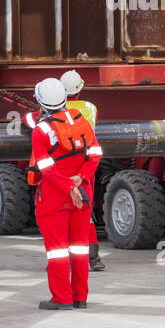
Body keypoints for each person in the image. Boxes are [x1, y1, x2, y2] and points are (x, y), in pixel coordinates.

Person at [27, 77, 102, 311]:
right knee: (80, 247)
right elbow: (96, 153)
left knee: (57, 249)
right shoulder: (82, 121)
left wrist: (68, 188)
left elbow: (46, 167)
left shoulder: (40, 131)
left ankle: (62, 298)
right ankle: (80, 297)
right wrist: (81, 179)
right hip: (83, 191)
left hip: (55, 195)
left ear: (41, 103)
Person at [61, 69, 105, 271]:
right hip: (86, 166)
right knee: (85, 211)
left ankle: (64, 260)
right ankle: (94, 259)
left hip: (62, 165)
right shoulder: (90, 107)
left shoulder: (53, 111)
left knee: (62, 212)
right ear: (80, 89)